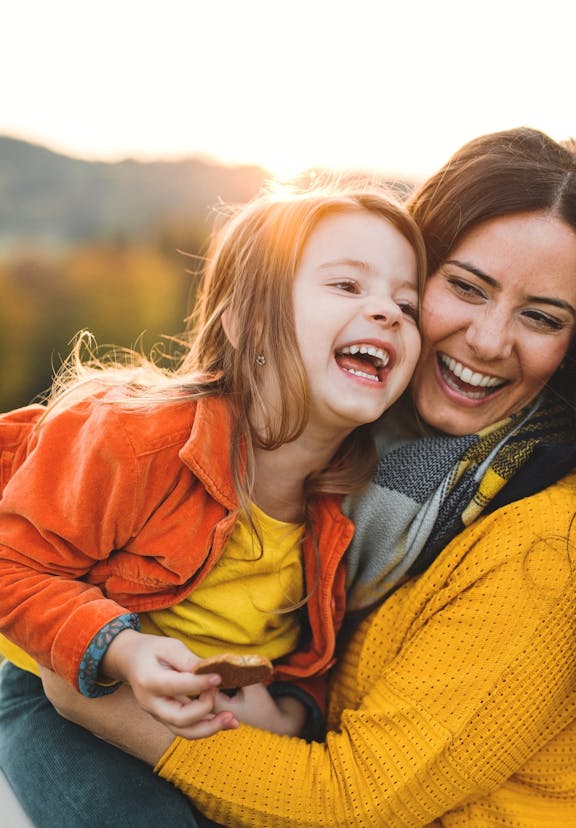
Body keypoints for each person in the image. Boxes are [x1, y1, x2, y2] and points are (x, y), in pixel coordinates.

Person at [41, 126, 576, 827]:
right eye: (466, 287)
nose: (491, 341)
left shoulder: (548, 542)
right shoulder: (349, 466)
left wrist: (98, 696)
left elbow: (353, 802)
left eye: (542, 317)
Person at [0, 181, 425, 826]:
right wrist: (121, 650)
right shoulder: (136, 437)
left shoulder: (353, 508)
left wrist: (284, 712)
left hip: (211, 727)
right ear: (247, 319)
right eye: (347, 286)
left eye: (407, 303)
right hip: (63, 695)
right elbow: (12, 566)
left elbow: (311, 657)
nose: (388, 312)